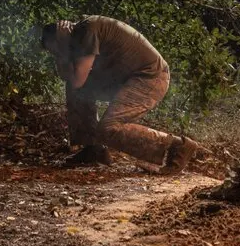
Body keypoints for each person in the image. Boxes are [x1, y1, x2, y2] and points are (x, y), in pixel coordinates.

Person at [40, 16, 205, 173]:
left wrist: (62, 51)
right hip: (126, 79)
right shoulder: (78, 36)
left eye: (55, 50)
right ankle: (93, 149)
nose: (56, 54)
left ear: (60, 38)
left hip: (150, 77)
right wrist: (61, 51)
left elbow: (76, 80)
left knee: (109, 128)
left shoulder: (87, 31)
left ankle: (178, 147)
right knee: (76, 90)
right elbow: (69, 79)